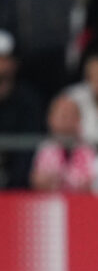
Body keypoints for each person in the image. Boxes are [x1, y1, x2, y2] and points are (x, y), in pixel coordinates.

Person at [0, 30, 44, 189]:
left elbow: (29, 147)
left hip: (18, 187)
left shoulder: (28, 99)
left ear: (14, 63)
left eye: (4, 59)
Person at [31, 95, 95, 193]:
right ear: (50, 119)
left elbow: (91, 182)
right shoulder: (45, 148)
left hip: (82, 202)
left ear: (79, 120)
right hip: (50, 202)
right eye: (62, 115)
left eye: (71, 115)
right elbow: (39, 181)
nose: (67, 120)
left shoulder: (88, 148)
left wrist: (60, 179)